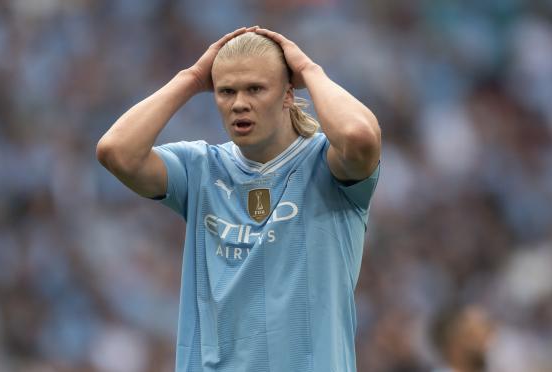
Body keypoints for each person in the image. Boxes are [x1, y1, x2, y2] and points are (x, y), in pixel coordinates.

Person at [96, 26, 381, 372]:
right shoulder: (200, 168)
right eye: (226, 91)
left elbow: (359, 135)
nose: (239, 104)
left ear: (288, 94)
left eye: (255, 89)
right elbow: (116, 151)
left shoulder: (329, 165)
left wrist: (309, 69)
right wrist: (191, 78)